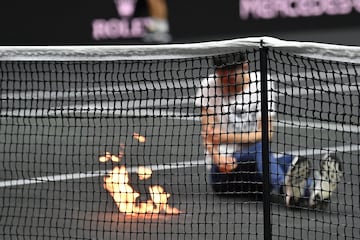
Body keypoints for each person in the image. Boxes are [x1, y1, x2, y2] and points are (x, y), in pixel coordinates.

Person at [195, 53, 343, 208]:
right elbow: (208, 134)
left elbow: (266, 133)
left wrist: (225, 137)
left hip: (257, 170)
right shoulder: (209, 86)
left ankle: (313, 192)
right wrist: (217, 158)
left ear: (245, 66)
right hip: (223, 175)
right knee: (268, 152)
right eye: (222, 73)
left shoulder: (261, 83)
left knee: (287, 161)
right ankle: (300, 187)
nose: (226, 77)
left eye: (231, 73)